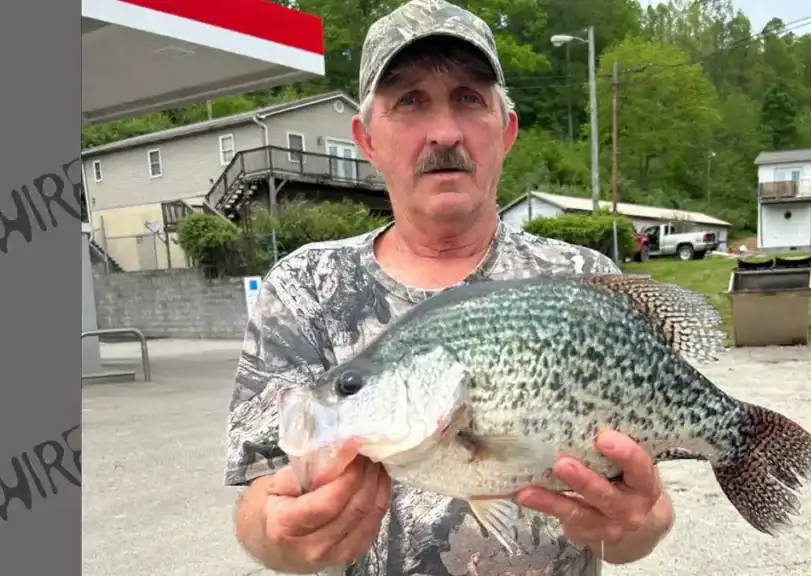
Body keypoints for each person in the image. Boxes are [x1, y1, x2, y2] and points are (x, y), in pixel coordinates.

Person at [224, 1, 676, 574]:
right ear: (365, 139)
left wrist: (640, 526)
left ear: (506, 130)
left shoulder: (584, 281)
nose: (443, 132)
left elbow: (640, 520)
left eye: (469, 98)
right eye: (409, 101)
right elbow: (256, 494)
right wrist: (272, 533)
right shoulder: (302, 290)